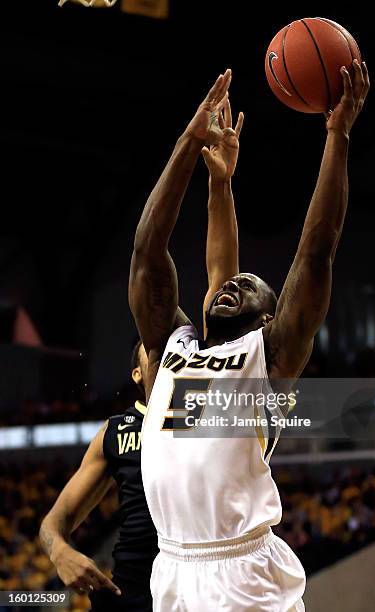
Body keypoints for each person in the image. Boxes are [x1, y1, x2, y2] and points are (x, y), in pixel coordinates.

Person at [133, 62, 370, 611]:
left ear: (270, 318)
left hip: (241, 572)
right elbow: (149, 250)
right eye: (232, 283)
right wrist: (194, 151)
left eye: (252, 286)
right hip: (171, 569)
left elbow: (317, 249)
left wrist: (337, 136)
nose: (235, 284)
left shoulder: (269, 359)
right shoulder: (175, 344)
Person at [39, 93, 243, 612]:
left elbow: (222, 283)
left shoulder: (202, 400)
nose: (179, 354)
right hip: (133, 594)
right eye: (159, 352)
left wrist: (220, 184)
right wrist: (59, 549)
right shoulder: (117, 433)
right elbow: (52, 524)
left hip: (213, 584)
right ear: (139, 370)